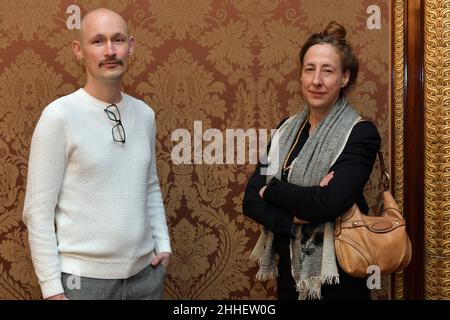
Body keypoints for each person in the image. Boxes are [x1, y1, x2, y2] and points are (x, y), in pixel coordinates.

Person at [22, 8, 171, 300]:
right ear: (79, 50)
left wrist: (163, 244)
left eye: (117, 40)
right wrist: (52, 289)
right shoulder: (59, 117)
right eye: (98, 41)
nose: (110, 50)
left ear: (131, 46)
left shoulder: (144, 115)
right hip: (83, 284)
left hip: (145, 278)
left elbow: (150, 185)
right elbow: (38, 211)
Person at [243, 21, 381, 300]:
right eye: (310, 69)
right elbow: (249, 198)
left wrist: (271, 190)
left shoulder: (361, 133)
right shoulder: (285, 130)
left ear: (344, 78)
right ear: (301, 75)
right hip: (289, 274)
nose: (316, 80)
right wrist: (290, 220)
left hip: (339, 280)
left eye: (327, 71)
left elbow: (328, 202)